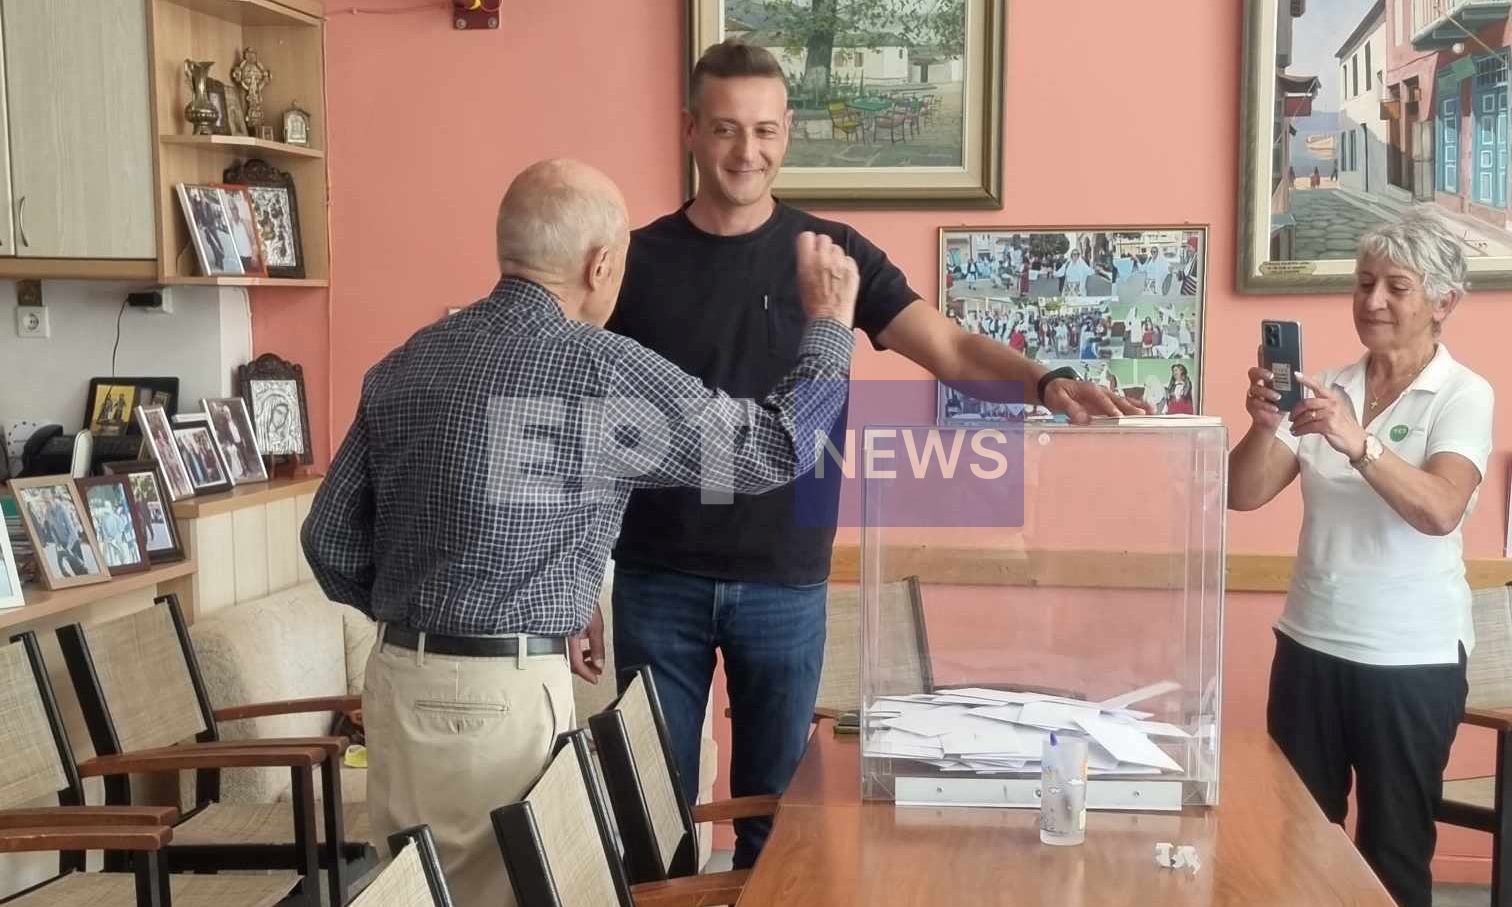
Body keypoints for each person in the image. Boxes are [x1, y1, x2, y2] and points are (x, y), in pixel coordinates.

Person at [604, 37, 1145, 870]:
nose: (746, 151)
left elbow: (952, 348)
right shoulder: (634, 261)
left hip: (785, 580)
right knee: (650, 821)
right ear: (690, 130)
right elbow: (579, 405)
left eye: (764, 130)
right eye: (725, 129)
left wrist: (1047, 381)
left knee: (779, 827)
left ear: (788, 132)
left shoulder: (834, 254)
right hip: (654, 577)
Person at [301, 157, 864, 906]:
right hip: (499, 699)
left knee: (413, 892)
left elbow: (328, 541)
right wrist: (828, 328)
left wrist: (432, 611)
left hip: (396, 681)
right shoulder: (600, 370)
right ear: (601, 265)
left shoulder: (406, 361)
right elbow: (775, 448)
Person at [1228, 207, 1493, 907]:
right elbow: (1241, 493)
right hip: (1310, 646)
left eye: (1396, 287)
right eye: (1364, 282)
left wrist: (1362, 444)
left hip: (1411, 661)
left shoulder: (1464, 395)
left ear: (1443, 303)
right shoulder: (1328, 386)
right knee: (1296, 843)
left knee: (1392, 855)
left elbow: (1439, 509)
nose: (1372, 300)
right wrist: (1263, 426)